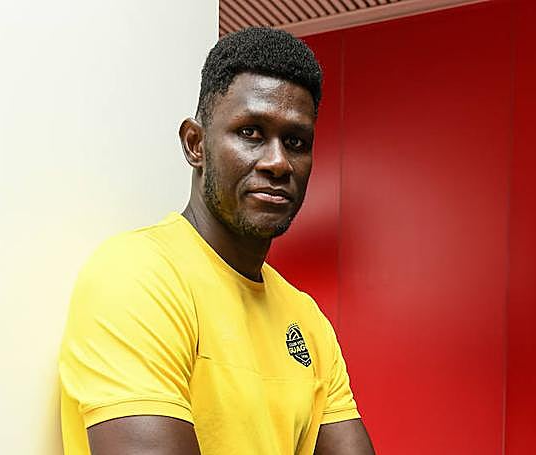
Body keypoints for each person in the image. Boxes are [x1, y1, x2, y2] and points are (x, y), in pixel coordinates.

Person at [59, 27, 375, 455]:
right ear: (196, 144)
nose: (278, 162)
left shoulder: (308, 320)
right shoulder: (138, 277)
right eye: (251, 133)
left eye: (295, 142)